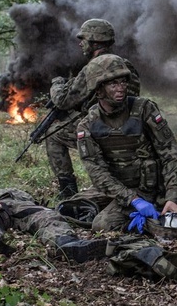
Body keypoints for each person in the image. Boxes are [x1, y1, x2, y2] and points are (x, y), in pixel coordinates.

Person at [75, 54, 177, 233]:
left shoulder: (144, 109)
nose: (121, 88)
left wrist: (173, 195)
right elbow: (97, 172)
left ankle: (155, 219)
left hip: (150, 189)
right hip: (122, 191)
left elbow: (171, 153)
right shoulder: (87, 125)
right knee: (70, 208)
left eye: (123, 82)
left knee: (102, 225)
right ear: (98, 90)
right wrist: (132, 200)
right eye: (113, 84)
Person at [46, 19, 140, 198]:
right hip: (131, 128)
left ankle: (68, 191)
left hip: (101, 128)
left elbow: (62, 101)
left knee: (53, 135)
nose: (80, 43)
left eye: (84, 39)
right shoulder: (126, 64)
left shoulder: (93, 68)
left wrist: (57, 83)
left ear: (95, 41)